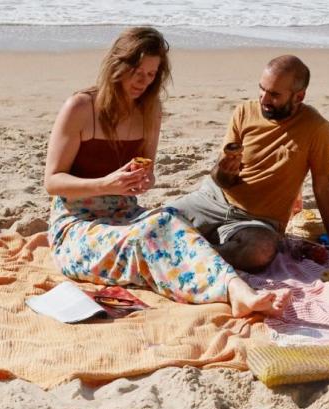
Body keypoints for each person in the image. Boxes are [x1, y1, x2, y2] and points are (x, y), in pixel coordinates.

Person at [43, 27, 287, 317]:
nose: (143, 82)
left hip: (125, 215)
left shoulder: (150, 110)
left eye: (151, 75)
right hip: (77, 226)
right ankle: (233, 291)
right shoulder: (81, 107)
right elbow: (53, 182)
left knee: (169, 221)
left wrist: (143, 180)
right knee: (154, 234)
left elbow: (148, 173)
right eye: (137, 71)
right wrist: (106, 184)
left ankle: (235, 290)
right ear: (118, 64)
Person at [167, 54, 329, 272]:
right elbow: (220, 179)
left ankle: (185, 257)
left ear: (299, 96)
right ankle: (197, 251)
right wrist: (225, 171)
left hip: (257, 222)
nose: (264, 99)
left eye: (275, 95)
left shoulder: (316, 129)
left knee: (260, 251)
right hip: (212, 200)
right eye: (262, 89)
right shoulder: (244, 112)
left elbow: (323, 185)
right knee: (157, 221)